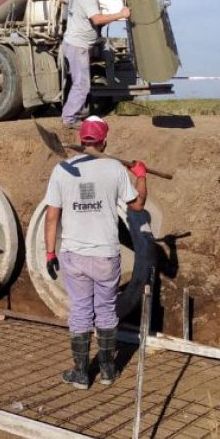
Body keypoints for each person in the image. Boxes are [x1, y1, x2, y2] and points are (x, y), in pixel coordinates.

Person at [43, 116, 148, 389]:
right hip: (105, 255)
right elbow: (137, 205)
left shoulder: (62, 169)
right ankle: (107, 371)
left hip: (74, 255)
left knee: (80, 310)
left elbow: (52, 216)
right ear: (104, 140)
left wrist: (49, 253)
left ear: (81, 139)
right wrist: (141, 175)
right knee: (105, 310)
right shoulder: (114, 168)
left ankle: (80, 374)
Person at [61, 0, 131, 129]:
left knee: (78, 82)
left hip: (72, 43)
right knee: (82, 84)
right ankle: (69, 118)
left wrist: (75, 16)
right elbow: (97, 20)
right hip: (79, 46)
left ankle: (72, 114)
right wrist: (121, 14)